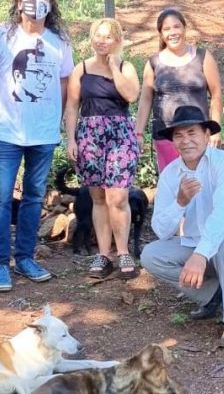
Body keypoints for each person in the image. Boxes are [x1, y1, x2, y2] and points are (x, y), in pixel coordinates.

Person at [141, 105, 224, 350]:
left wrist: (200, 255)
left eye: (192, 133)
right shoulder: (171, 174)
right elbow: (161, 230)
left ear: (206, 135)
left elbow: (222, 214)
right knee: (151, 255)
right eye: (178, 136)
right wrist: (179, 202)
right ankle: (212, 296)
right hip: (202, 246)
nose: (185, 141)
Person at [0, 0, 74, 292]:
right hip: (5, 132)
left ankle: (27, 258)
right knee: (1, 197)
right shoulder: (1, 37)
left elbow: (64, 84)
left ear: (51, 3)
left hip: (42, 136)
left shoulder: (60, 42)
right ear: (19, 2)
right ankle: (0, 264)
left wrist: (55, 123)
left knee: (33, 198)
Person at [65, 18, 142, 279]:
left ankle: (123, 253)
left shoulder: (126, 66)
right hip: (89, 134)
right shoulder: (81, 69)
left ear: (118, 40)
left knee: (117, 197)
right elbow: (72, 106)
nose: (102, 41)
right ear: (91, 39)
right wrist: (71, 139)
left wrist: (113, 67)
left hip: (120, 133)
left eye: (108, 36)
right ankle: (103, 254)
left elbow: (131, 95)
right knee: (98, 197)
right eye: (98, 36)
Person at [134, 8, 222, 173]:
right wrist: (138, 134)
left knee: (201, 184)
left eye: (176, 27)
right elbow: (145, 100)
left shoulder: (203, 57)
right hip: (165, 135)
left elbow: (216, 94)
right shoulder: (153, 62)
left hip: (197, 135)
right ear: (160, 34)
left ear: (184, 28)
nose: (172, 32)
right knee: (172, 183)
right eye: (166, 29)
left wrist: (215, 130)